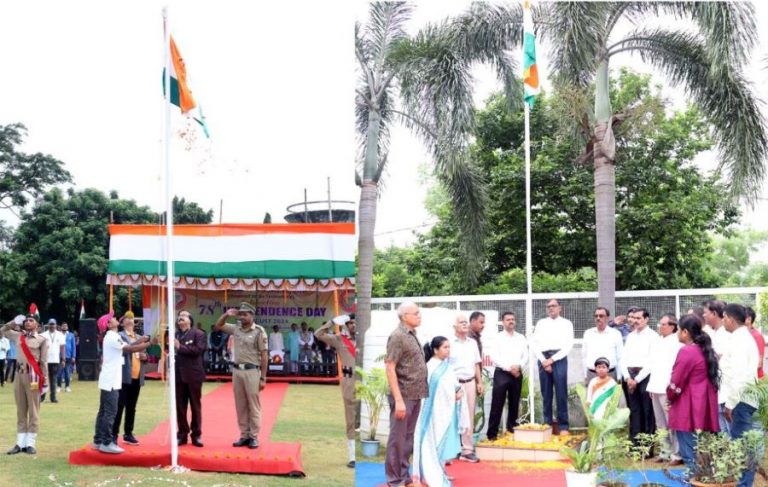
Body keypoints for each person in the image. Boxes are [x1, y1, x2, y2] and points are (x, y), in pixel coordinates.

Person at [667, 314, 720, 474]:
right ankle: (701, 477)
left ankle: (694, 480)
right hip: (703, 403)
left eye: (678, 330)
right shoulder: (705, 349)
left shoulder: (687, 351)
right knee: (702, 450)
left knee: (690, 453)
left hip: (688, 406)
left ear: (685, 332)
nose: (676, 333)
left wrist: (670, 397)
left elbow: (676, 381)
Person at [93, 312, 152, 454]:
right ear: (108, 324)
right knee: (110, 412)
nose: (114, 318)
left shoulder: (112, 336)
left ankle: (98, 440)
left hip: (108, 379)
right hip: (112, 380)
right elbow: (129, 349)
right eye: (112, 318)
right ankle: (107, 442)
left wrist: (141, 340)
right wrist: (150, 343)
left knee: (103, 411)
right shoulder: (113, 336)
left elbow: (129, 344)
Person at [412, 336, 466, 487]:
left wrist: (458, 393)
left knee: (441, 441)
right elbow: (430, 391)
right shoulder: (430, 368)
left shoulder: (447, 367)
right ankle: (430, 475)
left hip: (445, 411)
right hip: (431, 413)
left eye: (449, 347)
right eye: (445, 347)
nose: (448, 350)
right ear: (435, 350)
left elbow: (453, 386)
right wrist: (453, 395)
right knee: (431, 442)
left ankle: (439, 471)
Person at [384, 301, 428, 487]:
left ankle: (404, 476)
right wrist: (398, 400)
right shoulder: (397, 336)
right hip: (403, 395)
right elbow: (390, 366)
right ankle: (395, 480)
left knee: (407, 439)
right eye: (416, 313)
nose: (419, 315)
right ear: (404, 317)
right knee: (397, 438)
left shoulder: (412, 335)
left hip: (416, 394)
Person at [213, 302, 268, 449]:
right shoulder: (236, 328)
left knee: (253, 406)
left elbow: (264, 355)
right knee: (241, 405)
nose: (242, 317)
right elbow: (218, 325)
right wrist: (227, 314)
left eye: (246, 314)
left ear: (252, 315)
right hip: (237, 371)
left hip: (252, 371)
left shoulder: (259, 331)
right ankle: (244, 435)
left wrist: (263, 377)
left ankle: (254, 437)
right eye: (241, 314)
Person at [720, 303, 760, 487]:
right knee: (742, 444)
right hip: (739, 399)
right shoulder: (740, 338)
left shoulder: (740, 340)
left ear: (729, 318)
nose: (723, 322)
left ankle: (745, 484)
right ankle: (743, 482)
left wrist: (730, 403)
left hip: (740, 401)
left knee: (743, 445)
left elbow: (739, 377)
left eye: (724, 318)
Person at [315, 313, 357, 468]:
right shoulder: (340, 340)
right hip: (349, 381)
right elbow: (318, 334)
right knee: (351, 417)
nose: (353, 325)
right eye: (350, 323)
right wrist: (332, 322)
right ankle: (352, 456)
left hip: (364, 382)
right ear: (346, 325)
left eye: (355, 322)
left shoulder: (364, 340)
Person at [2, 315, 48, 454]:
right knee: (20, 410)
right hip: (19, 376)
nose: (28, 322)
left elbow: (44, 362)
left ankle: (30, 443)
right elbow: (3, 331)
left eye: (31, 320)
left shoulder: (42, 340)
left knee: (33, 410)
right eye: (26, 320)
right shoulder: (18, 336)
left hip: (33, 377)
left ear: (38, 325)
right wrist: (14, 322)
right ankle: (19, 443)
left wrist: (45, 382)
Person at [530, 299, 574, 435]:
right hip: (543, 358)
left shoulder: (566, 323)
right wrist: (544, 360)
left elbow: (568, 345)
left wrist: (552, 360)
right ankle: (547, 424)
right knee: (546, 393)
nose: (551, 308)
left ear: (560, 307)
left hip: (559, 358)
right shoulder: (541, 323)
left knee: (561, 393)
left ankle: (563, 426)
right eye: (548, 306)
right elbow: (534, 343)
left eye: (554, 306)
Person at [645, 313, 683, 466]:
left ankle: (677, 454)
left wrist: (671, 387)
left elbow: (675, 368)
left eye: (663, 324)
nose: (660, 327)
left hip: (668, 388)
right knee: (660, 423)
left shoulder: (677, 343)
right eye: (659, 324)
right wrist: (651, 386)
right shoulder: (658, 341)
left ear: (673, 326)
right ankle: (665, 451)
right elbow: (653, 365)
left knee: (672, 422)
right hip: (655, 385)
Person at [620, 307, 659, 445]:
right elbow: (623, 358)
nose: (635, 321)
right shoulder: (630, 336)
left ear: (646, 319)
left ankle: (647, 447)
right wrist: (627, 377)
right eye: (634, 318)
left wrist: (636, 379)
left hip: (645, 377)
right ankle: (634, 444)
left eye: (638, 318)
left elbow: (651, 361)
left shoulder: (653, 336)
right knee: (634, 410)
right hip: (629, 377)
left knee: (647, 411)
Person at [486, 311, 528, 441]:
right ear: (503, 322)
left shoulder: (521, 337)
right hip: (502, 373)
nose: (511, 321)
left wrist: (518, 366)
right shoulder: (497, 337)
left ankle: (512, 428)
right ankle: (492, 434)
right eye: (508, 319)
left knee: (514, 403)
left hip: (517, 373)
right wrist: (508, 368)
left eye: (513, 319)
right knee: (497, 403)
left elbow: (525, 355)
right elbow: (493, 356)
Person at [449, 313, 483, 462]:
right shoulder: (449, 343)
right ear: (454, 326)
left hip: (470, 383)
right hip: (453, 384)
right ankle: (449, 451)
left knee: (468, 416)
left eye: (465, 322)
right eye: (461, 322)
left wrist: (479, 382)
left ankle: (467, 450)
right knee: (451, 416)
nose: (464, 324)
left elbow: (476, 364)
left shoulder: (472, 343)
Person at [111, 312, 148, 446]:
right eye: (127, 318)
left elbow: (144, 353)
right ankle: (114, 434)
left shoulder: (139, 337)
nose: (130, 320)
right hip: (123, 376)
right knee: (120, 406)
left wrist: (145, 357)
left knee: (132, 407)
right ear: (122, 322)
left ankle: (128, 433)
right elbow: (127, 349)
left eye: (132, 318)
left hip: (137, 376)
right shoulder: (120, 336)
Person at [174, 310, 207, 447]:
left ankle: (196, 435)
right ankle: (182, 434)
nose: (180, 318)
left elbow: (197, 351)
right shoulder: (175, 335)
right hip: (179, 375)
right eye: (179, 316)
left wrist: (179, 347)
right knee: (180, 407)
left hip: (193, 375)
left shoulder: (199, 334)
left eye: (184, 316)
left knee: (195, 406)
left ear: (190, 320)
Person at [582, 307, 623, 383]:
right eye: (596, 316)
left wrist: (619, 376)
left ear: (607, 318)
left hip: (610, 374)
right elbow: (584, 356)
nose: (598, 318)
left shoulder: (616, 334)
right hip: (592, 375)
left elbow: (620, 357)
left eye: (601, 316)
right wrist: (585, 375)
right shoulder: (588, 333)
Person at [40, 319, 65, 403]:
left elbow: (62, 347)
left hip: (55, 360)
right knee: (44, 379)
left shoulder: (60, 334)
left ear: (56, 325)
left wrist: (63, 359)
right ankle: (42, 397)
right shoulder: (43, 335)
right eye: (50, 324)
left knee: (53, 379)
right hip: (45, 360)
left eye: (53, 324)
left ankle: (53, 398)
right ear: (48, 325)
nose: (52, 326)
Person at [56, 322, 76, 393]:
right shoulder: (58, 335)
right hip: (59, 356)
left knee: (67, 373)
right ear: (61, 327)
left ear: (67, 327)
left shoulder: (71, 335)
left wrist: (73, 356)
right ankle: (58, 386)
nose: (64, 327)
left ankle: (67, 387)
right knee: (59, 373)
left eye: (66, 326)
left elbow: (74, 346)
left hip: (68, 356)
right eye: (63, 326)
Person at [745, 307, 765, 379]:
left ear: (749, 319)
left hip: (755, 381)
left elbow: (759, 363)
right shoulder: (743, 334)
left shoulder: (757, 336)